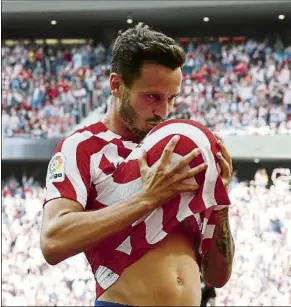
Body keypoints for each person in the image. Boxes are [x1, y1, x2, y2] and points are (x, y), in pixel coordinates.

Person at [40, 23, 235, 306]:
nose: (164, 111)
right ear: (117, 85)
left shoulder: (181, 150)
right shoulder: (83, 146)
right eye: (152, 97)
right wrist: (147, 198)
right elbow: (52, 241)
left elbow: (218, 277)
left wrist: (221, 204)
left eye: (172, 98)